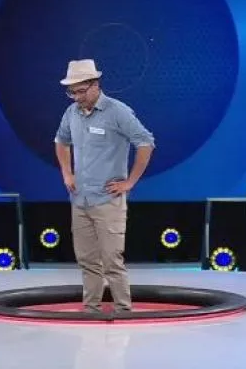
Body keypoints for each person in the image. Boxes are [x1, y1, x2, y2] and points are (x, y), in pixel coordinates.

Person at [54, 59, 154, 313]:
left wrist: (130, 182)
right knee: (87, 260)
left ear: (95, 85)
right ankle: (91, 308)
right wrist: (67, 173)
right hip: (80, 199)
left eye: (81, 91)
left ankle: (123, 310)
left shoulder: (117, 111)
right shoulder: (71, 113)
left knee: (112, 260)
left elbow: (145, 142)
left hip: (107, 200)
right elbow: (61, 141)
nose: (77, 97)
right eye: (72, 92)